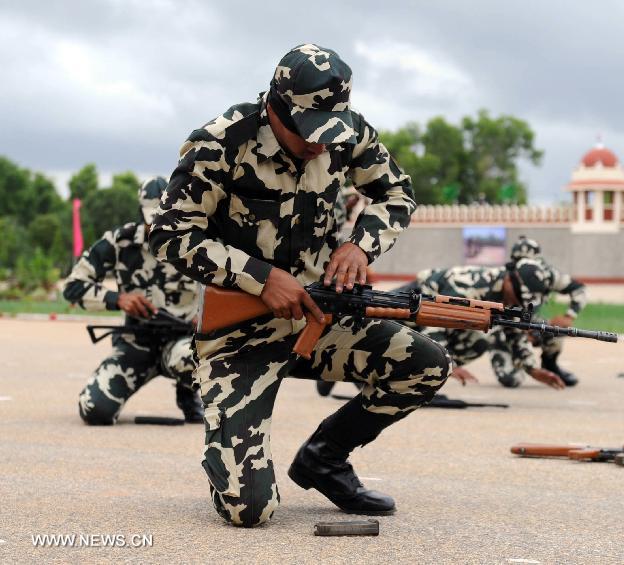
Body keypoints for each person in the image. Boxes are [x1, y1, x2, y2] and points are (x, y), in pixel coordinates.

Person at [149, 43, 450, 527]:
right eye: (309, 132)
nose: (320, 145)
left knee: (425, 364)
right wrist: (262, 278)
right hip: (239, 337)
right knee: (249, 512)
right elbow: (170, 234)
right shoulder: (222, 141)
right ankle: (232, 452)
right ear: (276, 104)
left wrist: (360, 246)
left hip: (319, 317)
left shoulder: (343, 131)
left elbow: (395, 191)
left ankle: (324, 458)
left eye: (330, 133)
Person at [63, 176, 203, 425]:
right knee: (95, 411)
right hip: (135, 344)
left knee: (194, 360)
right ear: (141, 212)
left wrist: (205, 318)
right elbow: (73, 287)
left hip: (183, 341)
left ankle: (188, 391)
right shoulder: (119, 241)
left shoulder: (196, 240)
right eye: (153, 220)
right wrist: (118, 299)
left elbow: (224, 286)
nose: (158, 227)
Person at [403, 258, 566, 390]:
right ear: (509, 280)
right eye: (519, 296)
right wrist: (448, 363)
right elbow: (433, 324)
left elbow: (514, 332)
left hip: (433, 318)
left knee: (477, 342)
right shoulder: (471, 287)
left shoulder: (510, 297)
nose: (518, 301)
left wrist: (533, 369)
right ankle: (411, 373)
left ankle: (417, 374)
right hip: (408, 306)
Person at [487, 236, 587, 387]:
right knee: (512, 380)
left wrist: (570, 315)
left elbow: (579, 288)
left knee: (554, 330)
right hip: (504, 328)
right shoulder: (501, 279)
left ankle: (550, 364)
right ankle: (514, 361)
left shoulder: (547, 275)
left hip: (531, 322)